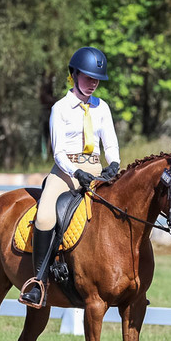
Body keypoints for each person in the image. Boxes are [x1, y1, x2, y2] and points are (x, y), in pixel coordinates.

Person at [19, 46, 121, 308]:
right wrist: (76, 172)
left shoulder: (102, 108)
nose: (93, 83)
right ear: (74, 74)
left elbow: (109, 145)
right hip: (66, 171)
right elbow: (59, 152)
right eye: (88, 77)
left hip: (96, 169)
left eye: (97, 79)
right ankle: (38, 282)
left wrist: (114, 164)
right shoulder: (60, 108)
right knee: (44, 215)